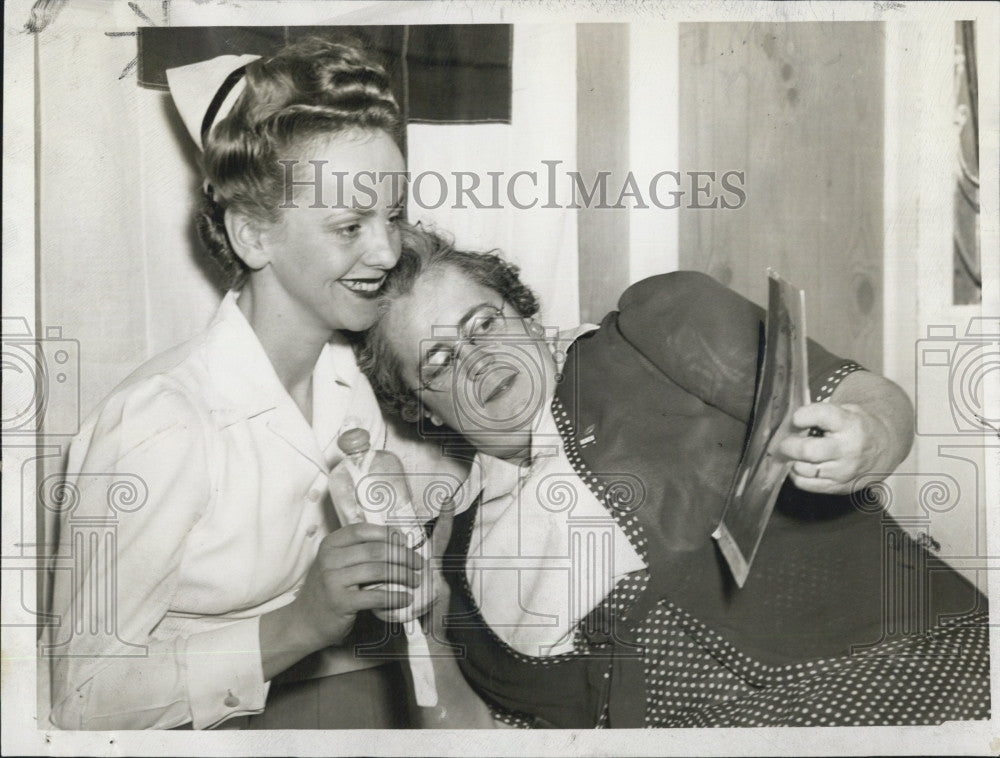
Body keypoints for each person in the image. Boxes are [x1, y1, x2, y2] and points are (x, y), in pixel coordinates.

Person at [356, 225, 990, 728]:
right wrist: (421, 627)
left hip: (895, 669)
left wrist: (870, 437)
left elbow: (861, 397)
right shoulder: (457, 564)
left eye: (484, 323)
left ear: (523, 313)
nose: (479, 361)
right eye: (439, 360)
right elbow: (477, 739)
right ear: (420, 406)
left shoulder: (650, 328)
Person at [46, 38, 432, 730]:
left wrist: (390, 557)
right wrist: (304, 621)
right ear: (254, 236)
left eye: (393, 214)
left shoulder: (345, 384)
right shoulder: (162, 426)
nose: (387, 251)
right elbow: (75, 708)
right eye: (350, 225)